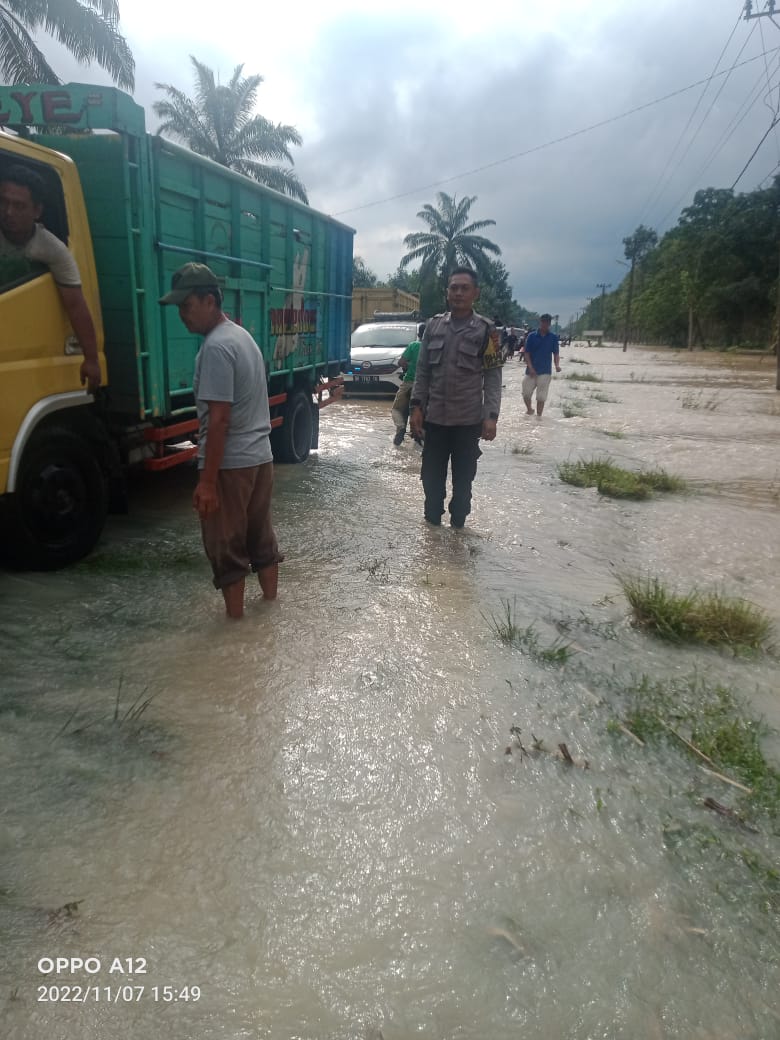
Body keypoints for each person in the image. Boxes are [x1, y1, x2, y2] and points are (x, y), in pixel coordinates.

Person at [160, 262, 284, 620]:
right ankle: (269, 617)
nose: (182, 315)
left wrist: (207, 482)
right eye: (179, 307)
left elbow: (218, 420)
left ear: (210, 301)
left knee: (226, 550)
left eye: (187, 305)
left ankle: (236, 630)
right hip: (261, 458)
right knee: (261, 540)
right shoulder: (242, 337)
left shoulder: (216, 347)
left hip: (232, 465)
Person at [409, 267, 502, 528]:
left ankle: (458, 532)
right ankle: (432, 535)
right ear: (447, 292)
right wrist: (416, 407)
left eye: (464, 288)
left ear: (475, 293)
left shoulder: (487, 330)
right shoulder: (433, 326)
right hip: (435, 420)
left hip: (467, 422)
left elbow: (493, 376)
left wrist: (491, 416)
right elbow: (422, 371)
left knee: (463, 484)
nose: (458, 293)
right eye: (454, 288)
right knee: (431, 481)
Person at [0, 164, 101, 392]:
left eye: (19, 206)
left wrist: (91, 359)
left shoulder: (52, 250)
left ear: (37, 211)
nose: (8, 212)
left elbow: (75, 305)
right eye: (3, 202)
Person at [391, 323, 425, 446]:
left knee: (396, 409)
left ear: (418, 334)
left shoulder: (414, 345)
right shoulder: (434, 348)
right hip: (428, 387)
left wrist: (409, 366)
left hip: (409, 383)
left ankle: (401, 427)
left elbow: (401, 362)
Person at [521, 312, 560, 417]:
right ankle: (529, 409)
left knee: (541, 397)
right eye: (543, 322)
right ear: (540, 322)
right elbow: (527, 353)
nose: (545, 324)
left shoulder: (553, 337)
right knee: (526, 394)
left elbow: (556, 354)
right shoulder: (531, 336)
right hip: (530, 371)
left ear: (549, 324)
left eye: (547, 322)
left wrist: (557, 365)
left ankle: (539, 418)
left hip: (545, 371)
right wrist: (530, 367)